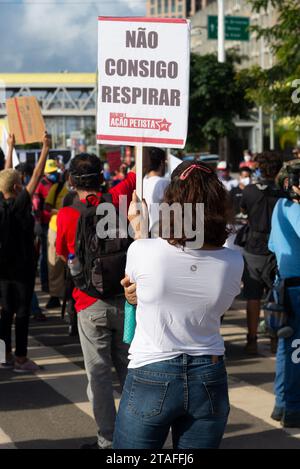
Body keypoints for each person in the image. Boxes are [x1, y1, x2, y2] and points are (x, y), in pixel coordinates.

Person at [113, 161, 244, 449]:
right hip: (209, 372)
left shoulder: (143, 250)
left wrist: (139, 229)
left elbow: (137, 285)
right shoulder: (234, 261)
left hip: (152, 369)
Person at [56, 153, 136, 449]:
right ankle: (136, 437)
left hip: (88, 304)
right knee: (129, 370)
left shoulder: (66, 214)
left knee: (99, 376)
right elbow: (133, 176)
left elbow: (64, 255)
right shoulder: (117, 201)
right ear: (101, 178)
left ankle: (107, 440)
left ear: (71, 181)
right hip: (126, 300)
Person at [0, 132, 51, 372]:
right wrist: (45, 148)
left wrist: (10, 148)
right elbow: (38, 175)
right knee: (21, 313)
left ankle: (4, 356)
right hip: (22, 268)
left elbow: (5, 177)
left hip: (2, 268)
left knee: (4, 312)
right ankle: (21, 359)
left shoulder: (1, 202)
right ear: (19, 186)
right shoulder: (21, 204)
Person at [240, 152, 284, 354]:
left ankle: (251, 340)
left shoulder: (248, 191)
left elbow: (244, 214)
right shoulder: (283, 193)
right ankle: (274, 339)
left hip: (253, 247)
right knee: (275, 296)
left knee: (253, 297)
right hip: (277, 248)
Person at [269, 160, 300, 428]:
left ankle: (282, 402)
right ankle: (293, 406)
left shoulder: (280, 206)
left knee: (285, 346)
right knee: (295, 348)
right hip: (296, 286)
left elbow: (272, 244)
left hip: (284, 284)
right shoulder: (293, 208)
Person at [32, 158, 58, 292]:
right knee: (45, 256)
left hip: (53, 224)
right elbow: (36, 206)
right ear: (46, 173)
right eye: (51, 172)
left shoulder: (54, 184)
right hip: (44, 225)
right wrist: (38, 223)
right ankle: (45, 284)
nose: (54, 174)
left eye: (55, 171)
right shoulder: (41, 185)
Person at [44, 176, 69, 309]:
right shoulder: (57, 187)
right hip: (55, 229)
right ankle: (54, 296)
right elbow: (47, 207)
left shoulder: (79, 190)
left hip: (72, 230)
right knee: (54, 264)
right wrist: (62, 213)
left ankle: (70, 294)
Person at [143, 147, 169, 232]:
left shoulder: (142, 181)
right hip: (160, 232)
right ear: (162, 163)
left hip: (143, 231)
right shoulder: (163, 183)